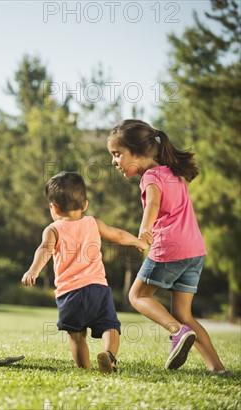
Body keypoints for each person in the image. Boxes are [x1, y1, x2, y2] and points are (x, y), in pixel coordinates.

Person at [108, 119, 226, 372]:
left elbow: (152, 202)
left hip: (170, 249)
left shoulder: (150, 176)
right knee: (184, 313)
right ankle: (216, 367)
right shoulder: (173, 173)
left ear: (137, 152)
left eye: (117, 154)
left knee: (137, 295)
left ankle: (176, 332)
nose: (114, 161)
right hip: (195, 251)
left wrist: (144, 230)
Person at [21, 171, 150, 373]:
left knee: (76, 336)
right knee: (110, 327)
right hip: (97, 288)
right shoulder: (92, 223)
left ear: (53, 208)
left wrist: (33, 270)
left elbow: (44, 250)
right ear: (85, 204)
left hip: (69, 293)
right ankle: (108, 355)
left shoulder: (53, 229)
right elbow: (117, 235)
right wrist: (138, 241)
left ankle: (85, 369)